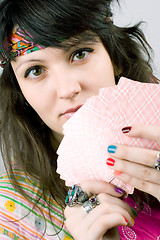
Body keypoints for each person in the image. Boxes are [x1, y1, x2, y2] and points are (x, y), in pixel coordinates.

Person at [0, 0, 159, 239]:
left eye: (80, 54)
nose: (67, 89)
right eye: (35, 70)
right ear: (20, 92)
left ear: (114, 57)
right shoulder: (12, 212)